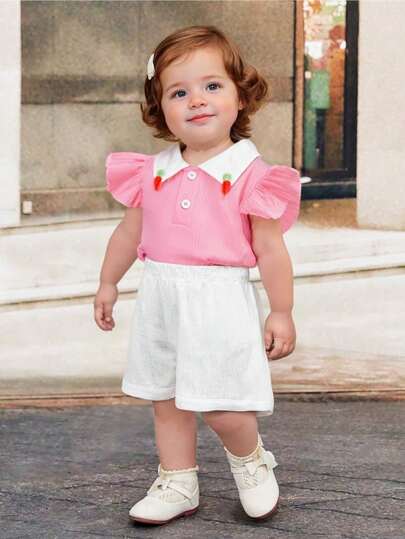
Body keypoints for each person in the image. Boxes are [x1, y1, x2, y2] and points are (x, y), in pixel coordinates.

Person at [94, 25, 301, 526]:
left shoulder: (252, 174)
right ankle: (178, 480)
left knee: (223, 405)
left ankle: (250, 460)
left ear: (239, 95)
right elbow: (129, 233)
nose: (197, 100)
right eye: (178, 92)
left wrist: (281, 310)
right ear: (160, 107)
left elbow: (270, 249)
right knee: (167, 399)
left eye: (212, 86)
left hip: (219, 301)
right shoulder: (152, 171)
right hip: (162, 297)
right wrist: (108, 282)